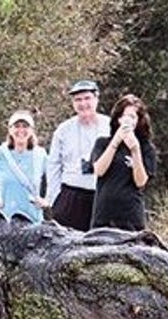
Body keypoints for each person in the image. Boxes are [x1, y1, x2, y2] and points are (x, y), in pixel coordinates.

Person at [45, 80, 110, 231]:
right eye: (78, 100)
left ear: (96, 98)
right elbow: (54, 165)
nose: (83, 104)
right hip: (71, 195)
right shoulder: (63, 130)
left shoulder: (109, 126)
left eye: (87, 98)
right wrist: (55, 198)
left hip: (102, 195)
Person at [89, 94, 158, 231]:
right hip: (103, 215)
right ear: (118, 119)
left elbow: (141, 182)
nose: (128, 121)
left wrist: (135, 150)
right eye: (124, 116)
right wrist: (115, 142)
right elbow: (99, 170)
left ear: (139, 121)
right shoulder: (102, 143)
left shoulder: (146, 147)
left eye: (132, 117)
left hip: (131, 216)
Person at [0, 109, 49, 223]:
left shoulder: (40, 154)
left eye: (25, 126)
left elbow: (55, 178)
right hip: (6, 220)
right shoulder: (0, 153)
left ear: (32, 130)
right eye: (17, 126)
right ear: (10, 130)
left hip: (33, 220)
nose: (21, 130)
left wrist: (48, 200)